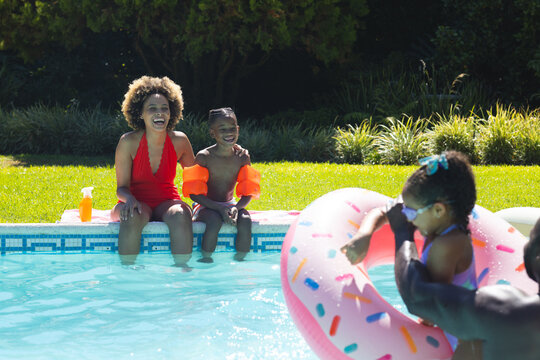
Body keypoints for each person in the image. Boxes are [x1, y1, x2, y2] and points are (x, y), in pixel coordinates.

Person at [341, 151, 480, 358]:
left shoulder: (448, 245)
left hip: (467, 346)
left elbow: (428, 313)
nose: (407, 217)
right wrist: (364, 234)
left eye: (411, 213)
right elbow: (385, 212)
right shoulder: (437, 222)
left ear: (439, 211)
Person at [388, 206, 540, 360]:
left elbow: (418, 297)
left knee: (472, 341)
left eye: (531, 239)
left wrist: (403, 234)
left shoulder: (508, 310)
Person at [111, 76, 195, 267]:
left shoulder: (180, 141)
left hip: (167, 201)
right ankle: (128, 273)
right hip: (136, 202)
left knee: (182, 213)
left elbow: (197, 180)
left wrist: (228, 152)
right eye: (152, 108)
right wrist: (130, 199)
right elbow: (121, 189)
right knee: (131, 215)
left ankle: (183, 273)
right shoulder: (128, 142)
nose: (160, 113)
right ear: (140, 113)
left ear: (171, 112)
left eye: (165, 108)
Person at [184, 107, 259, 263]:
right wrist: (219, 208)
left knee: (245, 219)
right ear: (213, 133)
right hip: (206, 206)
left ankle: (241, 261)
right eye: (222, 129)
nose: (229, 133)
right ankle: (206, 259)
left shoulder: (242, 157)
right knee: (214, 221)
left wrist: (235, 208)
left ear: (238, 129)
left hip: (230, 204)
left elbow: (248, 192)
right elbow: (194, 194)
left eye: (232, 128)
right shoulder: (204, 157)